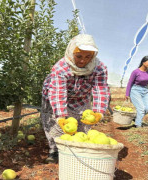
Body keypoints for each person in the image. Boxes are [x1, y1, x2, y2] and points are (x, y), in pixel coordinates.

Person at [41, 34, 110, 163]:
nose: (83, 61)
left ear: (93, 56)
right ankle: (55, 150)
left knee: (83, 124)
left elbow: (100, 89)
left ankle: (79, 149)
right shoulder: (61, 67)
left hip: (81, 97)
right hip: (56, 96)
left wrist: (99, 112)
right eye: (79, 56)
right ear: (71, 52)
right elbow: (58, 93)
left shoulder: (99, 68)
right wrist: (61, 115)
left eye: (88, 57)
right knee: (56, 124)